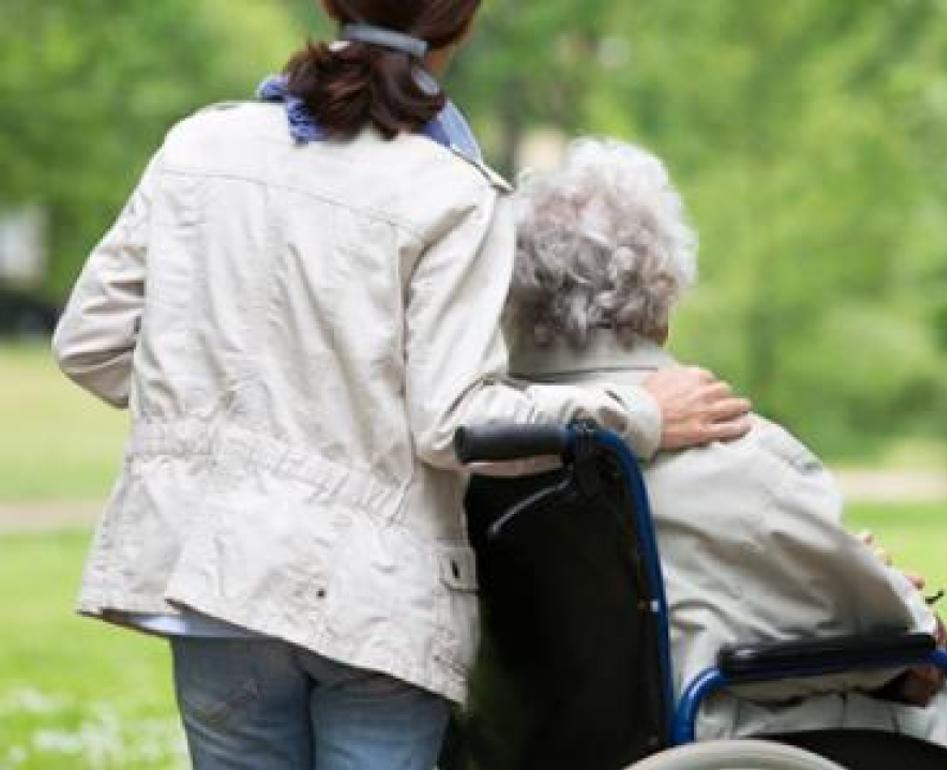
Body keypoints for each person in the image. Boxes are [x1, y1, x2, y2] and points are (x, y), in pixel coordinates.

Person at [50, 3, 751, 768]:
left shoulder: (198, 145)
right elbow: (455, 423)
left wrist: (211, 401)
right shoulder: (452, 192)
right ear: (465, 23)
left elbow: (90, 343)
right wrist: (638, 413)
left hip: (212, 576)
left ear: (329, 5)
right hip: (372, 597)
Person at [504, 138, 947, 770]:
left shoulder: (500, 440)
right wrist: (889, 594)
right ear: (663, 287)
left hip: (563, 743)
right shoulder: (734, 449)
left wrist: (844, 572)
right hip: (723, 740)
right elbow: (905, 653)